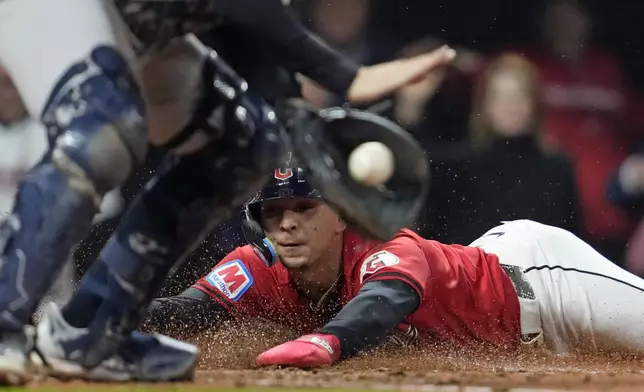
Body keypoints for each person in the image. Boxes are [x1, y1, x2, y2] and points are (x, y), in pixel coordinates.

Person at [0, 0, 453, 385]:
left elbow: (250, 37)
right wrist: (345, 77)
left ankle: (94, 329)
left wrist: (290, 112)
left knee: (248, 145)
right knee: (101, 135)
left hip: (145, 23)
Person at [143, 166, 644, 368]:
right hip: (505, 336)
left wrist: (327, 341)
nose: (287, 224)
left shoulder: (382, 243)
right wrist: (105, 314)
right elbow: (190, 311)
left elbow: (385, 300)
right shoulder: (257, 267)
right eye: (273, 213)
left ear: (341, 216)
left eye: (304, 208)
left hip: (547, 284)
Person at [420, 53, 579, 245]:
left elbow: (571, 247)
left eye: (519, 95)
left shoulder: (558, 169)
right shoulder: (456, 166)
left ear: (534, 103)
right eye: (500, 97)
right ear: (484, 105)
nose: (511, 106)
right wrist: (411, 107)